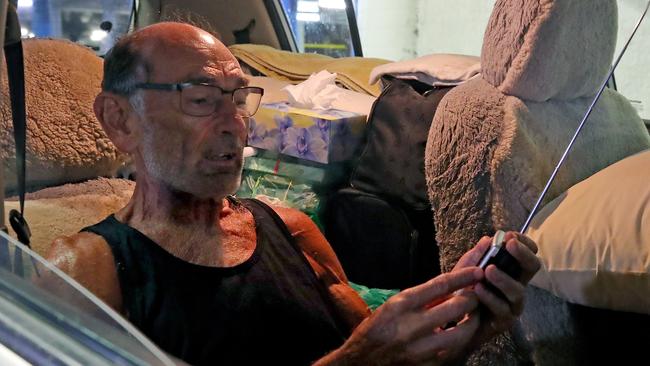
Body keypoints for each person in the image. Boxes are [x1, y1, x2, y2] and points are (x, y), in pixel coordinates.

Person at [45, 22, 541, 366]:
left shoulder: (289, 227)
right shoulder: (86, 271)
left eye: (240, 99)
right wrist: (359, 361)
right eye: (201, 100)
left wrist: (447, 329)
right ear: (119, 119)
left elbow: (372, 346)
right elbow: (363, 355)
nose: (235, 124)